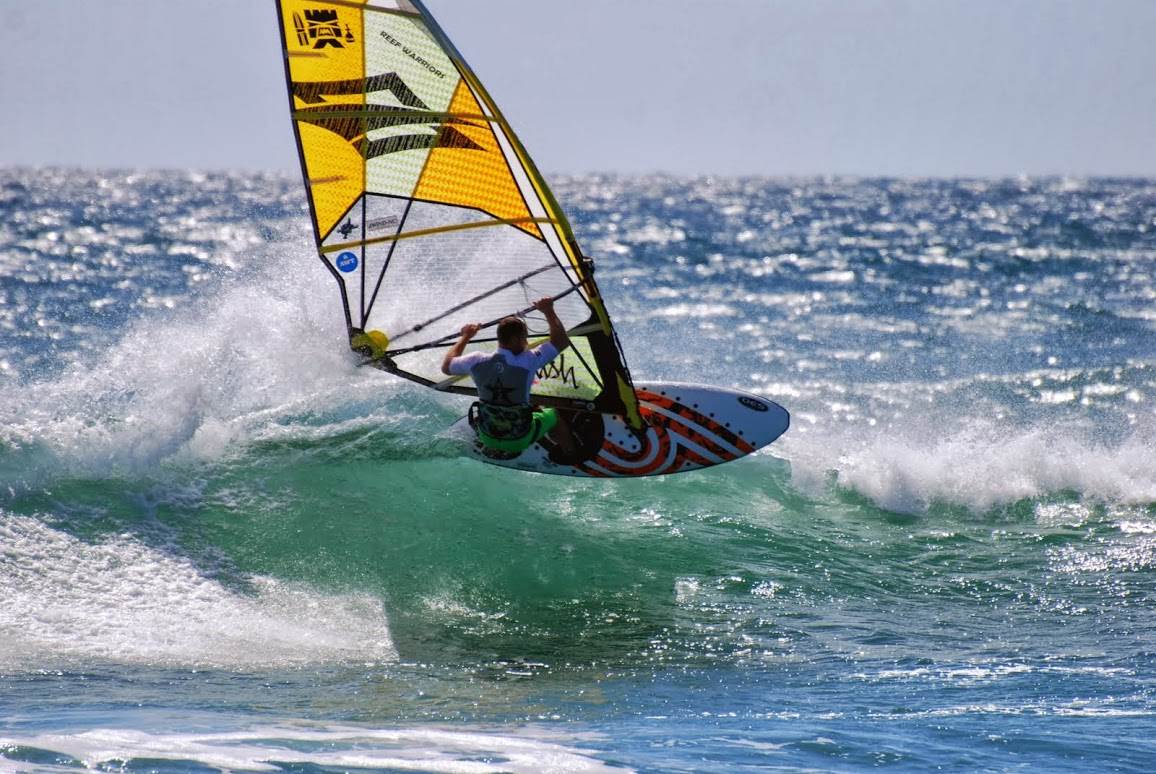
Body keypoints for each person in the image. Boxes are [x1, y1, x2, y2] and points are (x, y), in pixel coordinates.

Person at [441, 297, 570, 456]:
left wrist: (466, 336)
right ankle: (571, 454)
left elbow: (446, 366)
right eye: (524, 337)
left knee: (529, 406)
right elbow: (561, 341)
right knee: (554, 415)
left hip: (486, 436)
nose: (527, 342)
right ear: (516, 339)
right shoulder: (528, 360)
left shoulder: (476, 360)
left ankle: (496, 445)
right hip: (520, 439)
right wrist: (548, 310)